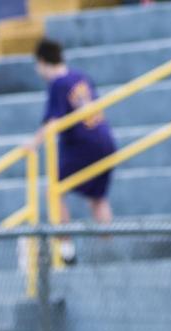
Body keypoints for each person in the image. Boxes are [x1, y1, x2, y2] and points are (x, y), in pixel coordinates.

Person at [35, 40, 116, 226]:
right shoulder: (80, 76)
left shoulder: (58, 83)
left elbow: (53, 122)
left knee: (53, 191)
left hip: (83, 145)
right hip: (105, 141)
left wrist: (33, 143)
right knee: (98, 199)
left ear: (42, 61)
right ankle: (111, 249)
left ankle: (65, 251)